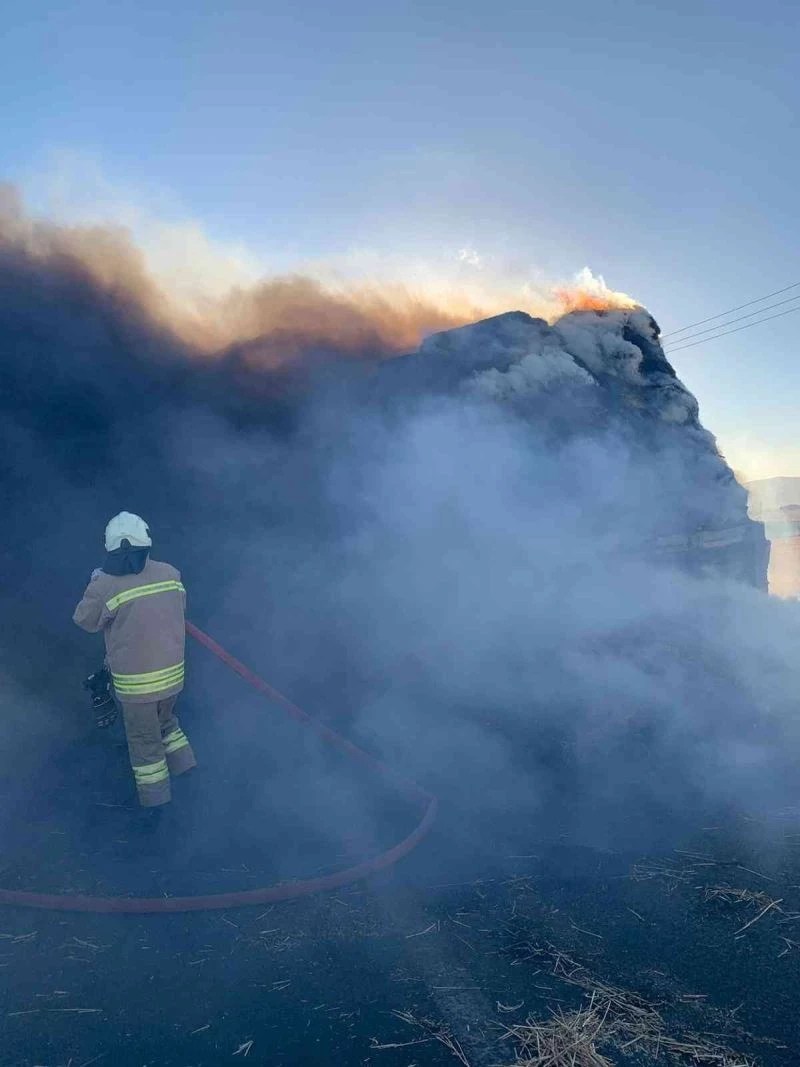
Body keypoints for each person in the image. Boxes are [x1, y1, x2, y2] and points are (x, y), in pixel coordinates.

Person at [73, 512, 196, 807]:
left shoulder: (105, 585)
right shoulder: (171, 573)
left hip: (137, 687)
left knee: (145, 742)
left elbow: (84, 620)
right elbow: (179, 610)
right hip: (172, 677)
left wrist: (95, 583)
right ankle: (187, 768)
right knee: (166, 721)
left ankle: (157, 805)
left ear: (111, 547)